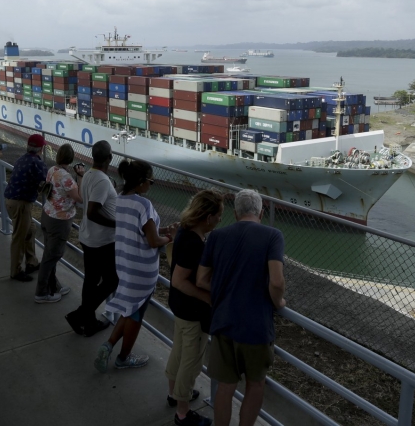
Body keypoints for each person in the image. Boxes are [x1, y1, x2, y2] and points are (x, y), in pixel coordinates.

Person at [197, 190, 286, 426]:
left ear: (235, 213)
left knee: (225, 387)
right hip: (256, 326)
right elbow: (276, 282)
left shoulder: (217, 236)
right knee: (255, 385)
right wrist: (279, 302)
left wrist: (223, 292)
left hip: (223, 320)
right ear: (261, 212)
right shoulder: (272, 236)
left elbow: (201, 279)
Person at [94, 160, 176, 373]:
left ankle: (109, 344)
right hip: (142, 269)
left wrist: (165, 230)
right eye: (151, 181)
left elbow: (142, 229)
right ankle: (123, 357)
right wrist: (169, 237)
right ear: (141, 182)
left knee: (130, 309)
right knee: (136, 315)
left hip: (124, 263)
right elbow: (153, 241)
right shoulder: (143, 204)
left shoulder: (121, 200)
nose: (152, 185)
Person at [165, 191, 225, 426]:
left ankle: (173, 394)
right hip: (192, 310)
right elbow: (179, 280)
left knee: (178, 352)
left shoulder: (185, 230)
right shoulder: (194, 242)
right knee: (191, 361)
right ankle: (183, 413)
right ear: (208, 217)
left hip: (180, 306)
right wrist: (208, 298)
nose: (221, 220)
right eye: (219, 216)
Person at [65, 140, 119, 337]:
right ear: (109, 158)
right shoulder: (103, 181)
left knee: (91, 280)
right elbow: (92, 212)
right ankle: (82, 315)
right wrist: (118, 224)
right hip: (102, 241)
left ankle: (88, 322)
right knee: (112, 280)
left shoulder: (88, 174)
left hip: (88, 237)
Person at [34, 144, 85, 303]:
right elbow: (80, 198)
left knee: (49, 253)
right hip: (59, 221)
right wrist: (81, 176)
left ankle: (53, 286)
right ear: (70, 159)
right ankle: (41, 293)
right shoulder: (66, 178)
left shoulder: (52, 170)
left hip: (47, 214)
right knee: (52, 256)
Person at [3, 134, 48, 282]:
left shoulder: (21, 159)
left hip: (11, 200)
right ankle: (15, 271)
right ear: (41, 149)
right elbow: (46, 184)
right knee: (18, 237)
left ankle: (32, 262)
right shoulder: (38, 163)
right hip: (21, 204)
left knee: (30, 230)